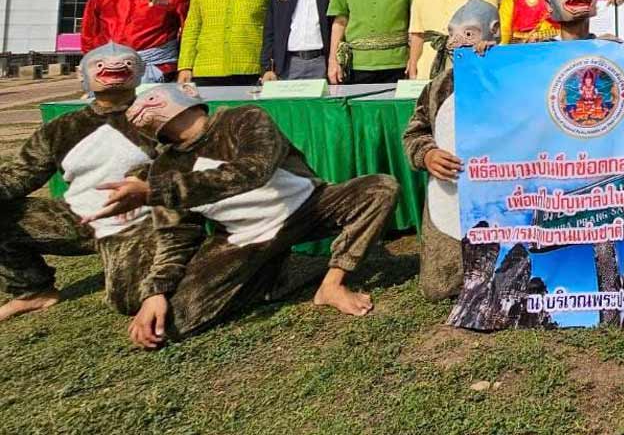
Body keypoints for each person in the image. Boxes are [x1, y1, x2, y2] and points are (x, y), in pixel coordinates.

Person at [95, 83, 398, 347]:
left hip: (308, 206)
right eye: (134, 109)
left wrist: (155, 191)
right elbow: (176, 238)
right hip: (243, 239)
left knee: (379, 189)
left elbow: (255, 171)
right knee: (171, 324)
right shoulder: (164, 169)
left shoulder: (244, 118)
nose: (140, 109)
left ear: (186, 95)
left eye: (149, 99)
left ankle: (332, 283)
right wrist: (156, 292)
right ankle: (280, 275)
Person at [0, 44, 165, 323]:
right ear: (83, 76)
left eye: (126, 62)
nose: (113, 67)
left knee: (128, 299)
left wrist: (143, 180)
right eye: (98, 64)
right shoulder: (62, 128)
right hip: (77, 217)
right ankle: (32, 290)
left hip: (137, 221)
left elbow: (187, 162)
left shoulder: (160, 116)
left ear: (139, 72)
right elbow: (21, 173)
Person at [404, 0, 500, 299]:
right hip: (450, 193)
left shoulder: (512, 75)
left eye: (469, 34)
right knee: (438, 287)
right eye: (452, 33)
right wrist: (427, 154)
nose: (456, 42)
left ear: (493, 31)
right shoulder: (438, 86)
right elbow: (414, 133)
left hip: (503, 195)